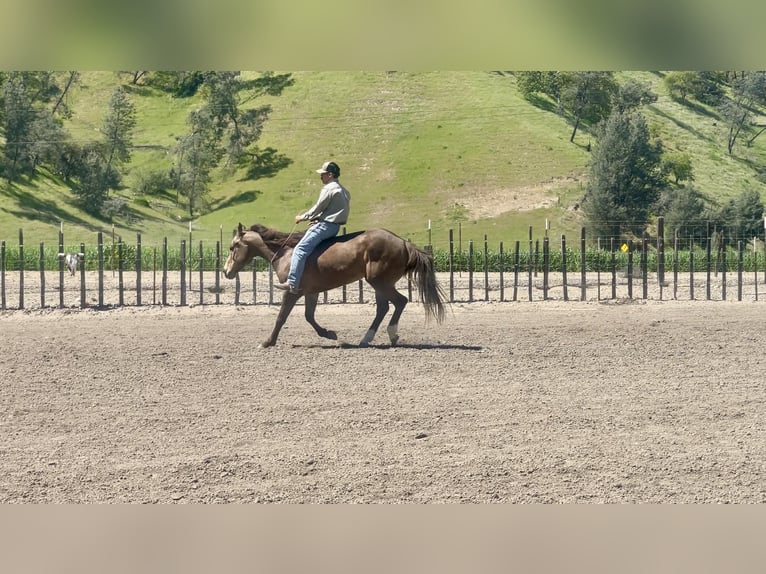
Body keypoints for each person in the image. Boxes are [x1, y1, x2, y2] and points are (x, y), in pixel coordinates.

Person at [275, 161, 351, 294]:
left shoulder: (329, 188)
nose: (321, 176)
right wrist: (318, 218)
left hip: (326, 226)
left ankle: (292, 282)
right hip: (334, 227)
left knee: (300, 249)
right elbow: (332, 209)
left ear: (330, 174)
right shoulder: (343, 190)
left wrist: (302, 217)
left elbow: (318, 207)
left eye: (323, 174)